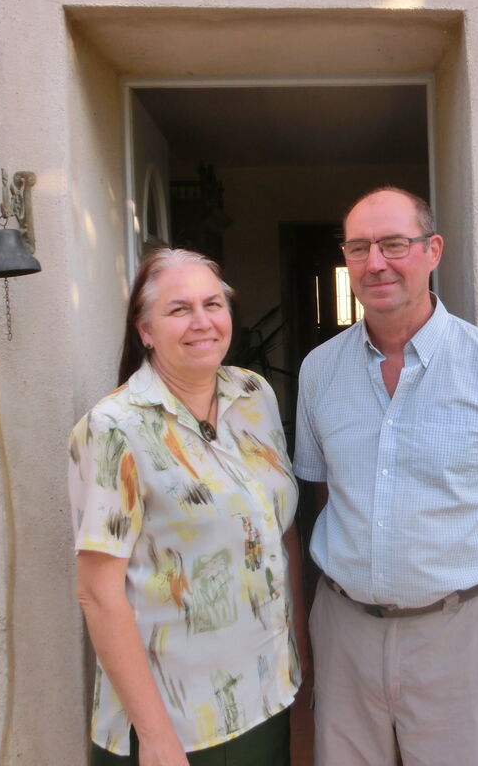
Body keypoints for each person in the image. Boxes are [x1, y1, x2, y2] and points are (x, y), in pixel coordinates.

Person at [294, 187, 478, 766]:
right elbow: (322, 500)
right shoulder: (319, 372)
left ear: (433, 250)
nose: (376, 263)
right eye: (359, 247)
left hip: (463, 634)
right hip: (346, 635)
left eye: (394, 244)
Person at [68, 248, 307, 766]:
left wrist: (299, 661)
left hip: (266, 697)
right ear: (145, 330)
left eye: (212, 304)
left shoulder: (254, 395)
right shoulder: (114, 429)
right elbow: (97, 593)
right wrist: (155, 738)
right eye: (179, 310)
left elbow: (279, 531)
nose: (202, 322)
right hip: (176, 726)